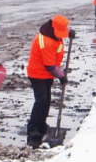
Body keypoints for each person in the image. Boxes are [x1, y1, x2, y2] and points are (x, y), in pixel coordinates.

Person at [26, 15, 75, 147]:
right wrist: (61, 76)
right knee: (41, 101)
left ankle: (41, 125)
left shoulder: (54, 32)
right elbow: (49, 65)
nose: (62, 36)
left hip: (47, 75)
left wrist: (69, 31)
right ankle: (33, 129)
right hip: (37, 74)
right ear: (53, 28)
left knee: (47, 100)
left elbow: (64, 29)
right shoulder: (46, 41)